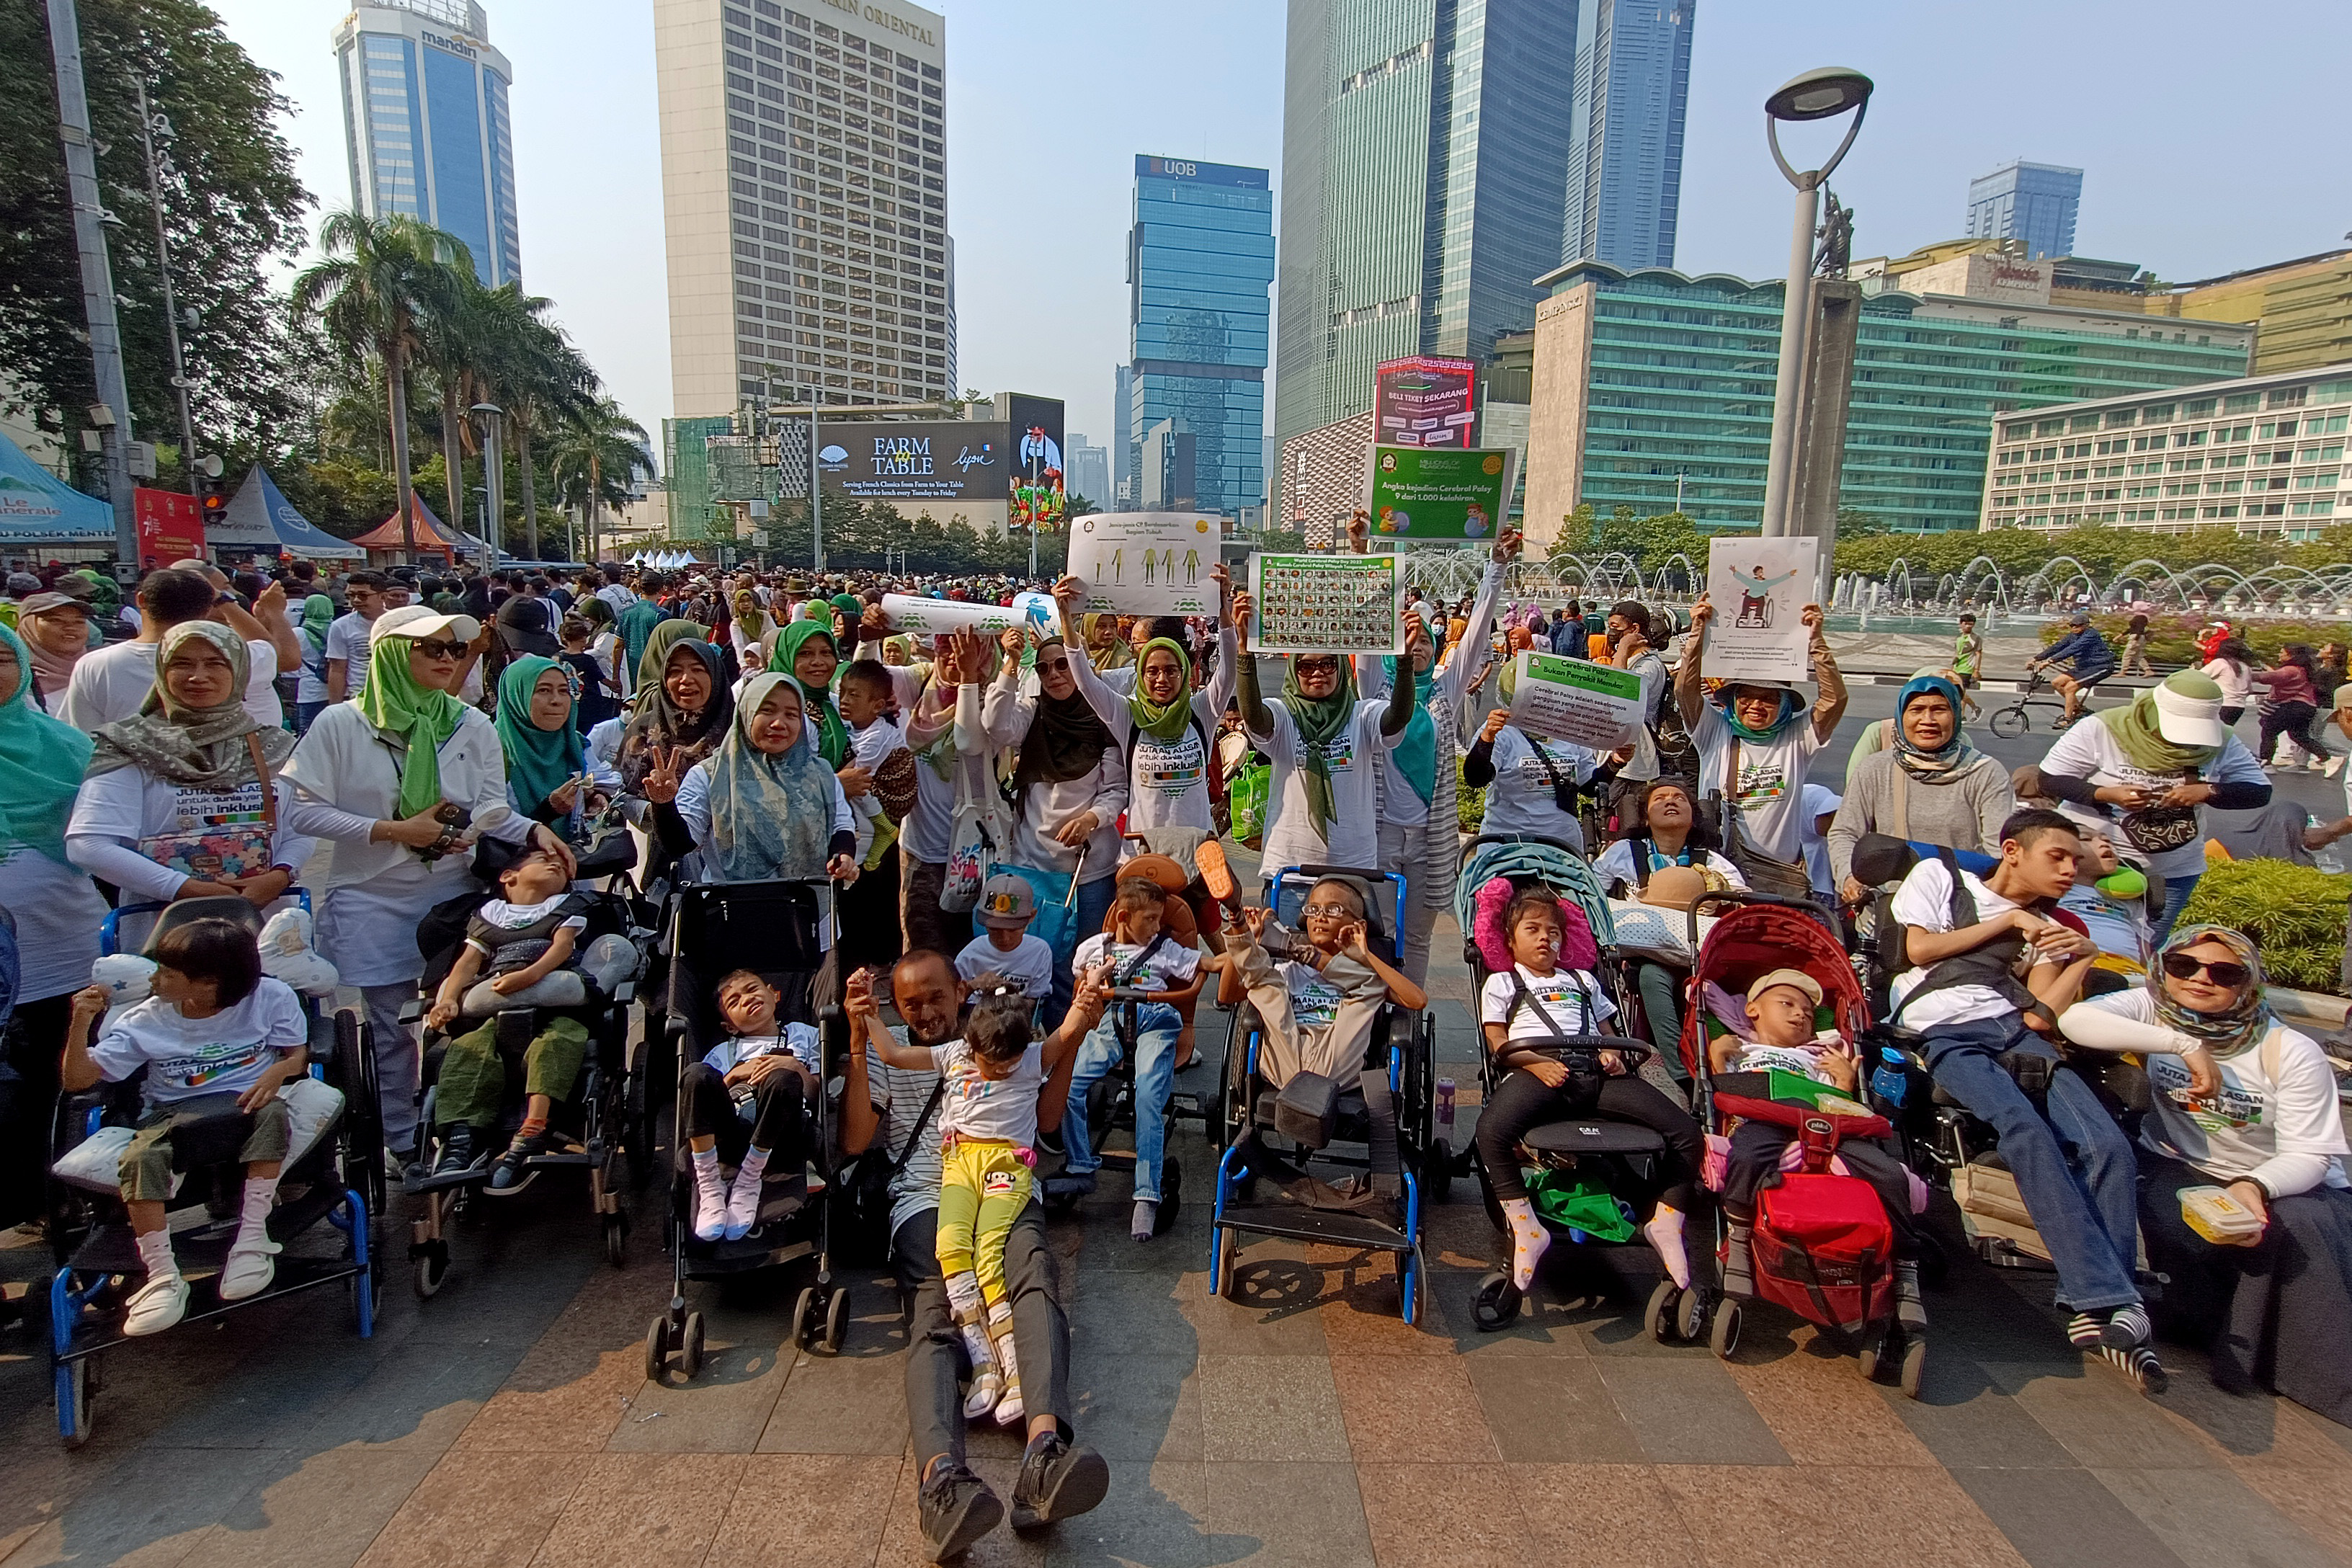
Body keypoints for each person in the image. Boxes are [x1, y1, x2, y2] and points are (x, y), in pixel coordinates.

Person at [838, 952, 1110, 1557]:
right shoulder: (910, 1055)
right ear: (897, 1007)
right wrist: (858, 1043)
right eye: (911, 1005)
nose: (927, 1013)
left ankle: (1045, 1448)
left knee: (1034, 1274)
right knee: (933, 1311)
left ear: (961, 991)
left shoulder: (1006, 1036)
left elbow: (1043, 1117)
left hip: (1006, 1179)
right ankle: (941, 1483)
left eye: (937, 998)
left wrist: (1072, 1040)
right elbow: (857, 1141)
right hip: (928, 1194)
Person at [283, 605, 569, 1164]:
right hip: (371, 893)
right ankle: (401, 1138)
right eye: (430, 648)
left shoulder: (469, 724)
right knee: (391, 1028)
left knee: (457, 1012)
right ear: (391, 652)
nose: (446, 659)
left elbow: (490, 811)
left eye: (454, 650)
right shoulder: (343, 724)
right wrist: (391, 830)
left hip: (453, 894)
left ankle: (462, 1119)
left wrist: (534, 828)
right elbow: (303, 812)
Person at [1886, 807, 2158, 1384]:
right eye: (2056, 857)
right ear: (2013, 850)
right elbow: (1920, 952)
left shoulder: (2054, 925)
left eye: (2074, 860)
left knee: (2106, 1145)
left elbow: (2040, 1018)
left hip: (2015, 1033)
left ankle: (2107, 1303)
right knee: (2026, 1131)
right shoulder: (1942, 877)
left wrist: (2078, 956)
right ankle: (2110, 1298)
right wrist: (2010, 925)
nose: (2069, 869)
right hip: (1945, 1030)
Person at [2058, 925, 2352, 1425]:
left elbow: (2311, 1156)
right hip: (2180, 1165)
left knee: (2283, 1231)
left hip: (2285, 1180)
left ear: (2249, 984)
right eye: (2184, 966)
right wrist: (2184, 1044)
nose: (2200, 979)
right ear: (2164, 970)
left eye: (2225, 972)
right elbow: (2077, 1020)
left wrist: (2256, 1185)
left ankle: (2291, 1365)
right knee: (2184, 1227)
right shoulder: (2155, 1009)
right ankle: (2213, 1327)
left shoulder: (2291, 1051)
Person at [60, 917, 309, 1333]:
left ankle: (251, 1240)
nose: (156, 979)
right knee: (141, 1156)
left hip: (248, 1102)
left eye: (168, 973)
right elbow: (76, 1081)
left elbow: (298, 1054)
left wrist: (279, 1071)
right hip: (175, 1112)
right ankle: (160, 1275)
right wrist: (81, 1022)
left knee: (274, 1114)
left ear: (209, 983)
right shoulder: (146, 1019)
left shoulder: (271, 997)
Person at [1475, 885, 1703, 1294]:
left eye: (1554, 932)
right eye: (1533, 930)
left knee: (1685, 1131)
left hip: (1595, 1075)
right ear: (1511, 941)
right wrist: (1536, 1063)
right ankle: (1527, 1227)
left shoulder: (1582, 980)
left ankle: (1667, 1221)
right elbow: (1497, 1042)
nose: (1546, 938)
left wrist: (1612, 1054)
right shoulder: (1503, 983)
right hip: (1535, 1070)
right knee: (1490, 1132)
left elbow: (1607, 1032)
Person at [1711, 968, 1923, 1332]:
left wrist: (1844, 1081)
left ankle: (1905, 1264)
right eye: (1787, 1004)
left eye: (1809, 1013)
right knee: (1745, 1155)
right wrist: (1717, 1057)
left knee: (1889, 1174)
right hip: (1766, 1119)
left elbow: (1840, 1107)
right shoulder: (1742, 1048)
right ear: (1753, 1010)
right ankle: (1740, 1237)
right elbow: (1725, 1101)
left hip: (1827, 1127)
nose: (1801, 1015)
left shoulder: (1821, 1056)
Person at [1207, 880, 1427, 1221]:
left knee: (1367, 988)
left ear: (1358, 925)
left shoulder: (1366, 975)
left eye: (1333, 910)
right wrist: (1249, 935)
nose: (1320, 917)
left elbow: (1417, 1001)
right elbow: (1227, 996)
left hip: (1336, 1070)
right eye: (1313, 910)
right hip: (1286, 1061)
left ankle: (1254, 938)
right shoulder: (1287, 970)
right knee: (1268, 983)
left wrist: (1367, 955)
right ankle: (1235, 922)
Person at [1354, 529, 1512, 985]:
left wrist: (1496, 565)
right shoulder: (1375, 691)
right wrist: (1364, 555)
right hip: (1382, 832)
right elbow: (1364, 635)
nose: (1417, 647)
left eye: (1424, 641)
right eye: (1407, 640)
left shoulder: (1446, 691)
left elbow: (1479, 631)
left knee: (1418, 936)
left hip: (1430, 836)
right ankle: (1375, 1014)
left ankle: (1410, 1010)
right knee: (1377, 931)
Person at [65, 623, 312, 909]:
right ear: (161, 671)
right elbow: (88, 845)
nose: (198, 676)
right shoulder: (131, 745)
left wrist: (280, 875)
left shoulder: (275, 746)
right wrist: (183, 888)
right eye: (181, 664)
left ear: (240, 671)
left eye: (216, 663)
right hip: (164, 922)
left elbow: (301, 828)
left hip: (267, 919)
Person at [0, 625, 108, 1226]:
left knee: (62, 1075)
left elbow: (105, 838)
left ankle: (63, 1194)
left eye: (0, 660)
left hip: (65, 940)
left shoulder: (65, 748)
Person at [419, 842, 605, 1189]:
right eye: (544, 859)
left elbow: (562, 948)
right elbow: (466, 965)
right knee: (469, 1050)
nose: (555, 865)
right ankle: (460, 1138)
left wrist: (528, 977)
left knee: (560, 1039)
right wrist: (447, 1000)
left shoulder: (565, 906)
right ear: (508, 876)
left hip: (553, 995)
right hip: (496, 1000)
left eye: (562, 867)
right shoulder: (489, 915)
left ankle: (532, 1129)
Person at [2037, 669, 2268, 943]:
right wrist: (2105, 793)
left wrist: (2207, 791)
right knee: (2071, 939)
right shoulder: (2103, 728)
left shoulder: (2224, 741)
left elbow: (2259, 792)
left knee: (2146, 946)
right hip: (2089, 865)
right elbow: (2049, 779)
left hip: (2172, 871)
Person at [981, 625, 1127, 1028]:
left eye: (1064, 665)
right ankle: (1040, 1049)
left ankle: (1080, 1049)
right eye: (1044, 669)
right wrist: (1011, 664)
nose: (1055, 675)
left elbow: (1116, 790)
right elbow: (995, 725)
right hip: (1035, 866)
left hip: (1089, 870)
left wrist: (1090, 819)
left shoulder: (1104, 720)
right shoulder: (1032, 713)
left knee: (1087, 964)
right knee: (1041, 963)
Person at [1061, 879, 1206, 1242]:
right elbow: (1080, 977)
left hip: (1156, 1017)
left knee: (1147, 1097)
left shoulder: (1164, 948)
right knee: (1067, 1085)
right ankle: (1080, 1164)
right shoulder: (1095, 948)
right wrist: (1091, 985)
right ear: (1124, 917)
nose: (1158, 927)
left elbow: (1205, 963)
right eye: (1151, 919)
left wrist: (1235, 952)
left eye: (1161, 919)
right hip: (1112, 1020)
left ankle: (1146, 1192)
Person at [1673, 594, 1846, 893]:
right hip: (1718, 872)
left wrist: (1817, 642)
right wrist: (1697, 635)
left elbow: (1834, 701)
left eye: (1768, 698)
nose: (1756, 705)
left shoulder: (1798, 737)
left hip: (1776, 877)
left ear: (1784, 705)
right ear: (1733, 701)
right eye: (1748, 697)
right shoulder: (1714, 729)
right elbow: (1685, 690)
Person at [1237, 617, 1420, 882]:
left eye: (1327, 663)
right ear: (1293, 669)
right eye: (1306, 665)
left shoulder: (1362, 715)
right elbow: (1255, 716)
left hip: (1353, 867)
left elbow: (1397, 718)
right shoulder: (1284, 714)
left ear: (1342, 667)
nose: (1317, 672)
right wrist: (1245, 654)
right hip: (1289, 869)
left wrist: (1404, 662)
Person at [643, 672, 858, 889]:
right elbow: (680, 844)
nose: (779, 723)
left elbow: (841, 826)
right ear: (746, 713)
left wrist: (844, 857)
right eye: (767, 710)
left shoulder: (820, 774)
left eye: (791, 714)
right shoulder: (710, 775)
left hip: (810, 912)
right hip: (732, 909)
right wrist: (664, 805)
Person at [1829, 674, 2015, 904]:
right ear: (1900, 716)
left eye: (1940, 709)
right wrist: (1850, 877)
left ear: (1956, 715)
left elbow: (1999, 852)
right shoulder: (1875, 769)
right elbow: (1845, 832)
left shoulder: (1985, 772)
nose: (1928, 720)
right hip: (1888, 904)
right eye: (1916, 710)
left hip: (1959, 905)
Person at [58, 569, 293, 734]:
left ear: (140, 600)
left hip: (135, 788)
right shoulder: (237, 656)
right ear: (208, 607)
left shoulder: (96, 664)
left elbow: (82, 736)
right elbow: (272, 648)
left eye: (211, 665)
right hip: (224, 790)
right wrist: (226, 601)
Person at [680, 968, 818, 1242]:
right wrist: (734, 1074)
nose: (747, 999)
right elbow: (704, 1099)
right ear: (729, 1026)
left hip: (783, 1134)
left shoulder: (804, 1035)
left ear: (774, 995)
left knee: (782, 1077)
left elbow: (817, 1095)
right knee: (696, 1074)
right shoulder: (722, 1052)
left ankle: (749, 1178)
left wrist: (796, 1068)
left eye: (753, 989)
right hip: (731, 1130)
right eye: (734, 1001)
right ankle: (710, 1184)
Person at [494, 655, 595, 832]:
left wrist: (595, 798)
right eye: (544, 691)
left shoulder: (576, 743)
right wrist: (547, 813)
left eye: (564, 691)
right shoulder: (490, 751)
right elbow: (488, 828)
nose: (556, 700)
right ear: (517, 696)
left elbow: (598, 780)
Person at [955, 871, 1055, 1001]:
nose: (1004, 938)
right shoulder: (969, 956)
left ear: (1032, 916)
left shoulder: (1040, 951)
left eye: (1013, 930)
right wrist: (973, 985)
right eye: (995, 929)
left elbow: (1036, 1000)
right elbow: (952, 1003)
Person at [2026, 610, 2115, 726]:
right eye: (2072, 626)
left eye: (2077, 626)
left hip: (2100, 666)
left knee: (2070, 688)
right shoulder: (2073, 636)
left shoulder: (2091, 635)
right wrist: (2036, 658)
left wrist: (2049, 662)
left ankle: (2067, 719)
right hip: (2083, 667)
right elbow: (2058, 647)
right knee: (2056, 683)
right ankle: (2079, 709)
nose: (2074, 628)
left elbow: (2072, 649)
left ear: (2086, 626)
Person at [17, 589, 93, 709]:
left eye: (79, 622)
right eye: (56, 620)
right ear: (29, 626)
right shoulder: (12, 678)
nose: (70, 627)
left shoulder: (97, 672)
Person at [323, 571, 391, 704]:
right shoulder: (341, 626)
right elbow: (337, 669)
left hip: (397, 698)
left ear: (383, 597)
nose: (356, 600)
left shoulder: (399, 622)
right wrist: (335, 707)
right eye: (351, 596)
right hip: (361, 697)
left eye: (363, 595)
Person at [2250, 644, 2322, 771]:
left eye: (2282, 652)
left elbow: (2269, 678)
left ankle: (2266, 763)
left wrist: (2247, 674)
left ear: (2291, 655)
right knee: (2298, 735)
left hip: (2293, 705)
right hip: (2307, 707)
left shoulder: (2291, 670)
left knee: (2269, 731)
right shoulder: (2304, 670)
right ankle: (2326, 757)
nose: (2279, 654)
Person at [558, 613, 620, 739]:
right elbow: (603, 680)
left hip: (566, 705)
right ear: (583, 638)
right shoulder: (587, 660)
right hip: (589, 707)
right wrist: (616, 685)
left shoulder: (557, 658)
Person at [2202, 636, 2256, 728]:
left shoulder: (2220, 663)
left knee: (2213, 734)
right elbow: (2249, 690)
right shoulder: (2246, 667)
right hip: (2239, 707)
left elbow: (2199, 677)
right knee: (2225, 733)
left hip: (2222, 704)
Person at [1951, 613, 1984, 721]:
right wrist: (1952, 666)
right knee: (1962, 692)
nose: (1969, 626)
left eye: (1971, 624)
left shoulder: (1975, 638)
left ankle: (1975, 708)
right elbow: (1957, 653)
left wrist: (1976, 670)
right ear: (1961, 624)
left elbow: (1978, 654)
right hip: (1957, 668)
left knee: (1960, 692)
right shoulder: (1958, 638)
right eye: (1966, 624)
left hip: (1967, 668)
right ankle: (1962, 716)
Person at [2119, 612, 2153, 677]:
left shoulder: (2138, 629)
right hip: (2141, 639)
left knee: (2127, 655)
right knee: (2137, 656)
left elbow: (2138, 633)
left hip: (2135, 639)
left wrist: (2135, 641)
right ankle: (2148, 670)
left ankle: (2122, 672)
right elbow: (2129, 630)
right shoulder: (2139, 627)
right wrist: (2119, 636)